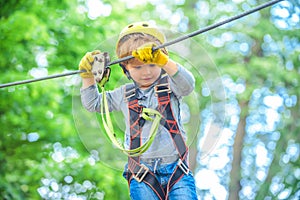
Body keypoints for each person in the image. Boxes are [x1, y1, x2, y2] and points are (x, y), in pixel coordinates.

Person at [79, 21, 198, 200]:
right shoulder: (123, 95)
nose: (146, 72)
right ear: (126, 68)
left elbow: (188, 85)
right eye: (138, 67)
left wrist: (164, 61)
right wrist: (88, 76)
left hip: (176, 169)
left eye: (152, 64)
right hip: (142, 175)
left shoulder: (171, 86)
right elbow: (94, 103)